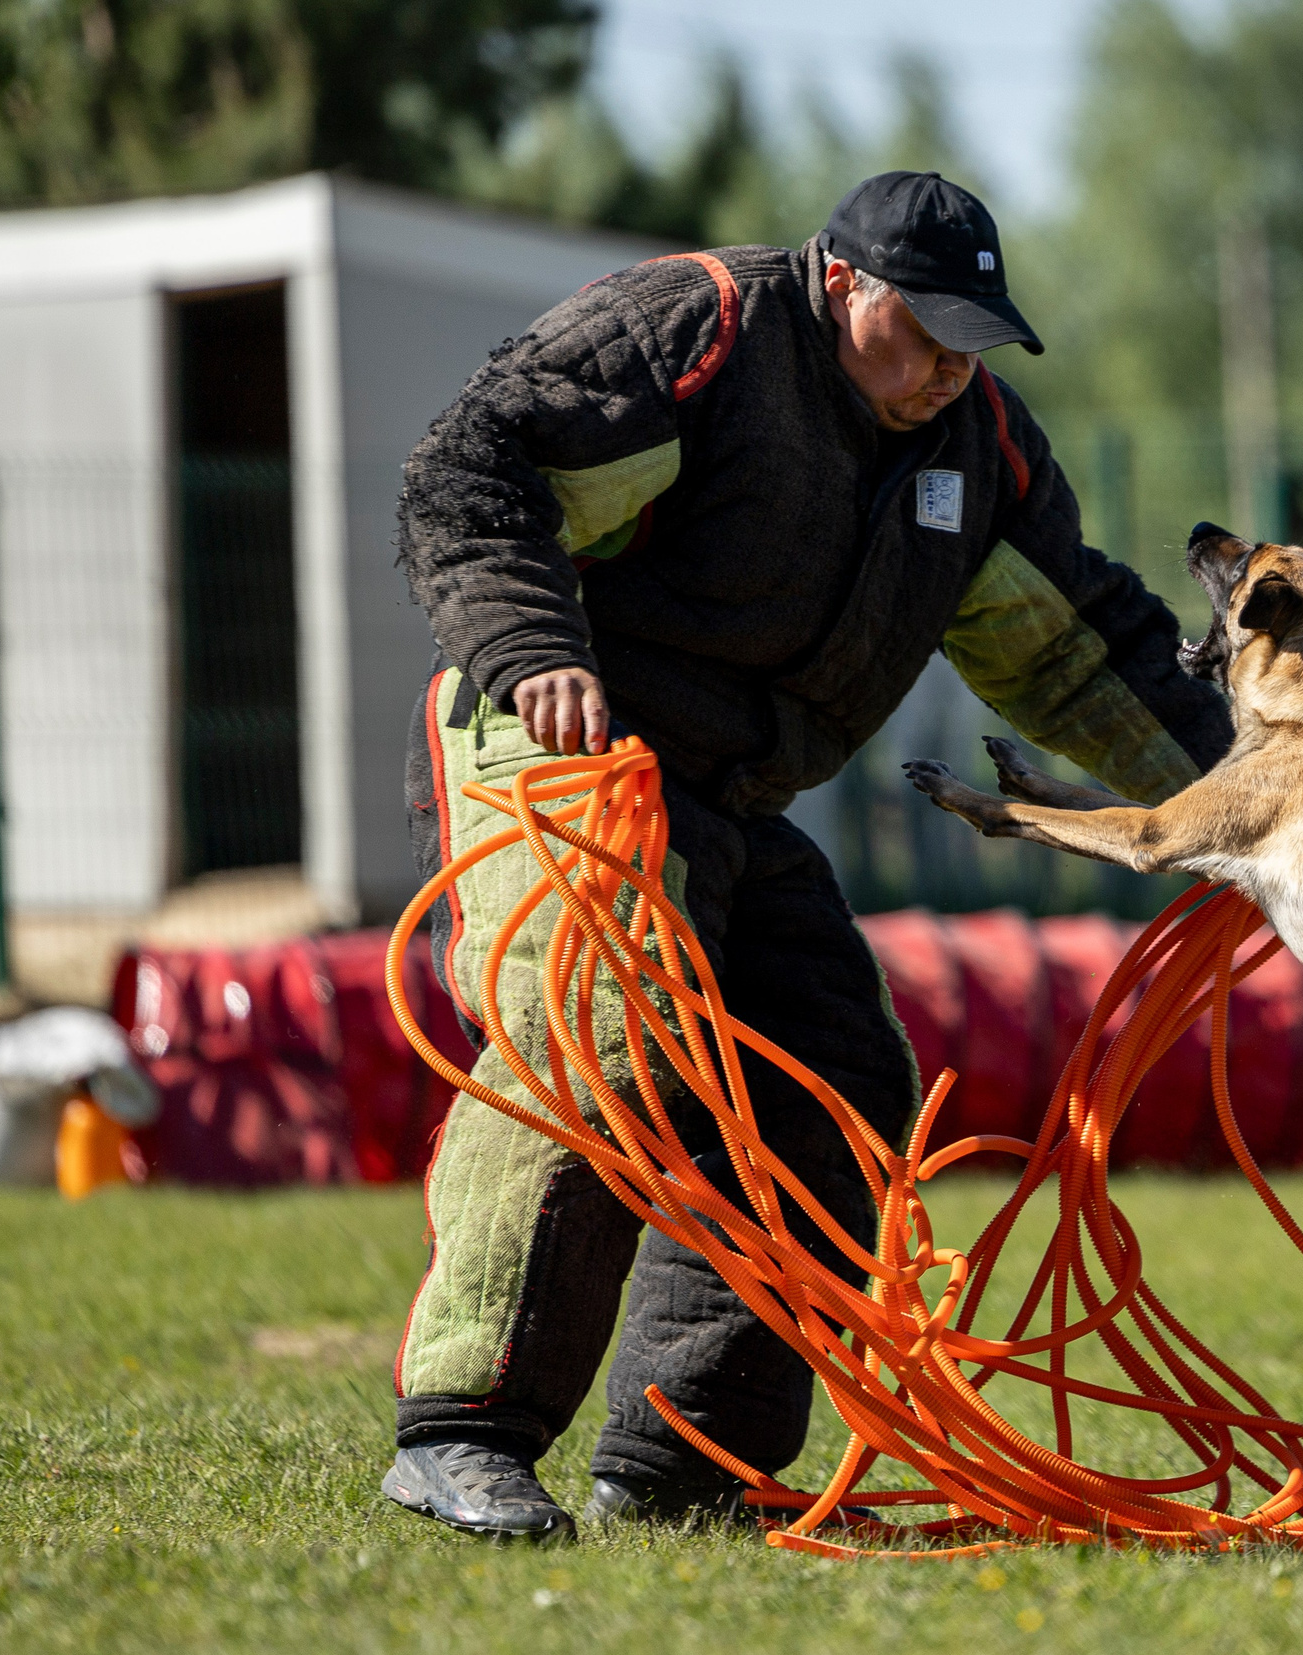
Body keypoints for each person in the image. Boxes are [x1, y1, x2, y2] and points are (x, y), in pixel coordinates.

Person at [382, 171, 1232, 1540]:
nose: (955, 365)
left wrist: (1258, 804)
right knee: (601, 1035)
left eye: (979, 337)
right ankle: (462, 1431)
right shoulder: (694, 333)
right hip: (555, 744)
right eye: (931, 329)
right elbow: (473, 470)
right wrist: (536, 648)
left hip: (723, 793)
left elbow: (1087, 652)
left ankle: (688, 1460)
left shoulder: (978, 451)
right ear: (843, 283)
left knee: (838, 1075)